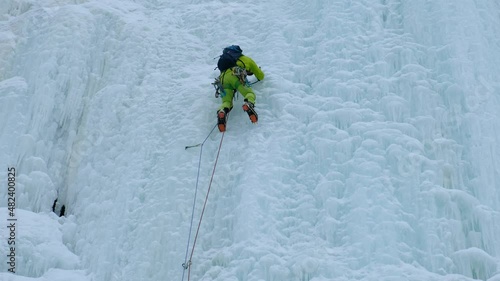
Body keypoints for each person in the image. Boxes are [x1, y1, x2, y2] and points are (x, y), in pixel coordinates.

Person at [216, 45, 265, 132]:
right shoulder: (246, 59)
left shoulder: (227, 61)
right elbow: (260, 76)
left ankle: (222, 111)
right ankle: (248, 103)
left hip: (223, 79)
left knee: (227, 101)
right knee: (249, 93)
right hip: (236, 75)